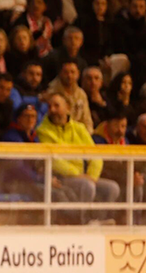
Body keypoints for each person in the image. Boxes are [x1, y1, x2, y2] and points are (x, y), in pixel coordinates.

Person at [36, 92, 120, 224]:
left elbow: (95, 155)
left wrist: (92, 176)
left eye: (56, 106)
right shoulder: (43, 131)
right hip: (60, 177)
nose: (52, 110)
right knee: (87, 186)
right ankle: (82, 222)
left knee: (112, 187)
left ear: (67, 107)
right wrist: (78, 175)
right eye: (49, 106)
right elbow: (55, 161)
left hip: (84, 176)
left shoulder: (79, 128)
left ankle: (100, 220)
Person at [47, 59, 94, 132]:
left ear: (78, 74)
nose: (69, 75)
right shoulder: (51, 92)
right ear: (60, 73)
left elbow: (87, 120)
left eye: (72, 72)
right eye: (66, 72)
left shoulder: (81, 94)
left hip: (79, 134)